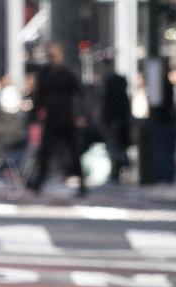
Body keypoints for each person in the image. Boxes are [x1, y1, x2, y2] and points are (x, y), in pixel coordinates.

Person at [26, 43, 88, 197]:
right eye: (49, 54)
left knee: (74, 152)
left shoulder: (68, 72)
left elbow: (81, 94)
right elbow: (38, 97)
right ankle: (39, 182)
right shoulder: (44, 73)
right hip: (51, 119)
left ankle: (82, 184)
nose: (51, 57)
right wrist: (35, 117)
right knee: (44, 152)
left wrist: (81, 115)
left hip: (68, 118)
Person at [100, 65, 132, 184]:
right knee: (118, 148)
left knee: (115, 149)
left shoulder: (111, 94)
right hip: (120, 124)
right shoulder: (123, 95)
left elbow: (107, 110)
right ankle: (120, 170)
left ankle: (118, 171)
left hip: (114, 124)